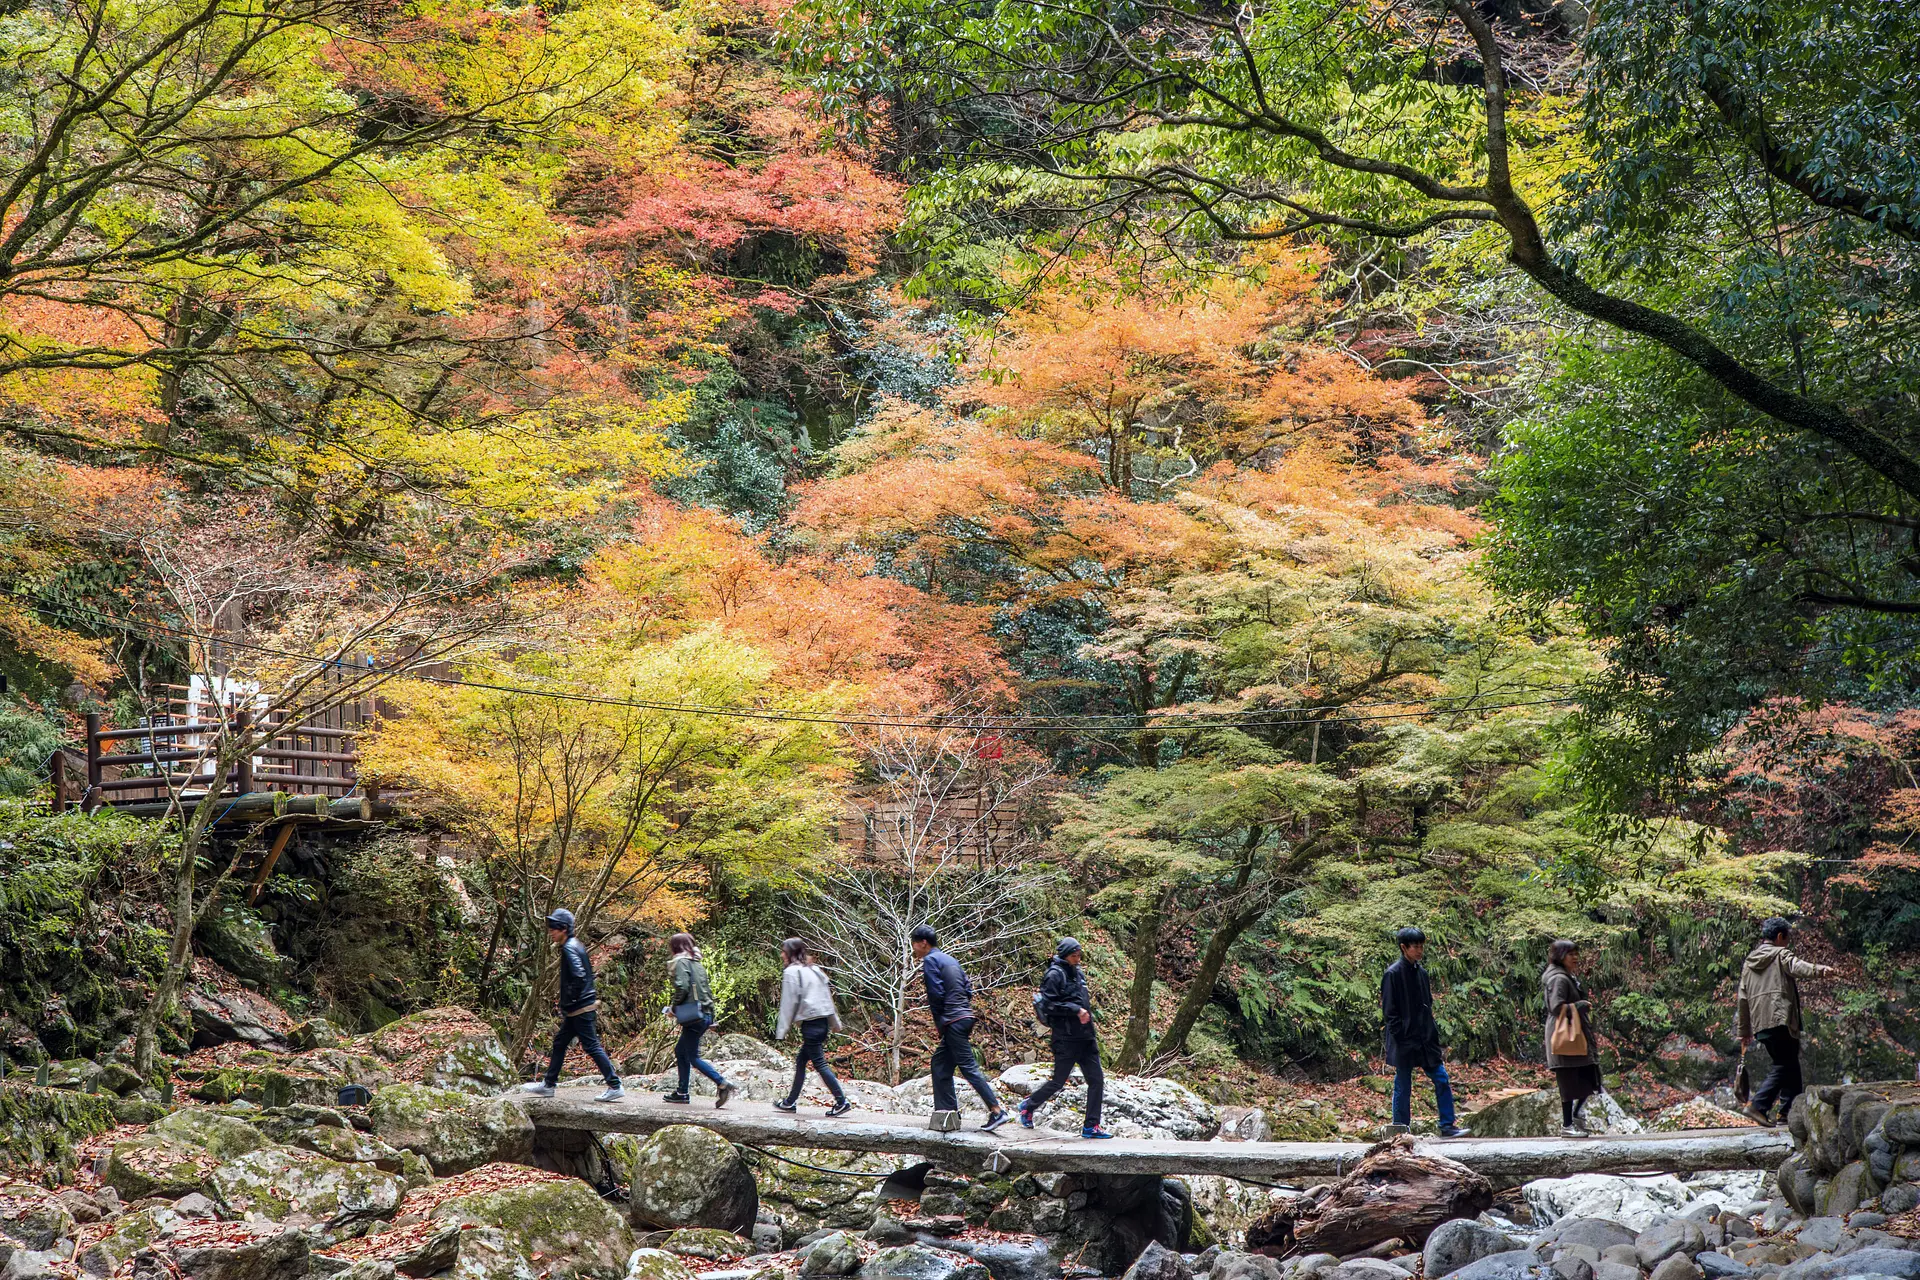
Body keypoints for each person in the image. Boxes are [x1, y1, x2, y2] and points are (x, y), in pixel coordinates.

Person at [910, 924, 1012, 1132]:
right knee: (940, 1064)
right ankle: (948, 1115)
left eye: (914, 943)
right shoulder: (950, 959)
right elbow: (967, 989)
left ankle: (997, 1111)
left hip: (953, 1020)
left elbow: (935, 994)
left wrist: (941, 1020)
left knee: (968, 1067)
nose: (913, 948)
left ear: (923, 943)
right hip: (964, 1016)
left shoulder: (930, 960)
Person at [517, 909, 624, 1102]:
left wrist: (572, 999)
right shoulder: (575, 945)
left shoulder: (569, 948)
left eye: (554, 928)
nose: (551, 932)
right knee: (560, 1043)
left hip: (580, 1009)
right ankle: (548, 1085)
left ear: (564, 928)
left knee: (591, 1046)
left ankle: (615, 1085)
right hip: (580, 1007)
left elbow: (579, 976)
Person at [1738, 917, 1834, 1127]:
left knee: (1790, 1064)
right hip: (1780, 1019)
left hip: (1761, 1024)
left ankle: (1788, 1113)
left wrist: (1744, 1031)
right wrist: (1820, 970)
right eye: (1787, 938)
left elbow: (1742, 999)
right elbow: (1797, 966)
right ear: (1780, 936)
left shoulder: (1749, 963)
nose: (1788, 943)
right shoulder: (1780, 954)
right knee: (1784, 1064)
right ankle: (1758, 1106)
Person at [1018, 938, 1111, 1139]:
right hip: (1065, 1039)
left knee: (1097, 1081)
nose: (1077, 959)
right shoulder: (1054, 975)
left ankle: (1091, 1126)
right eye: (1073, 955)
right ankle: (1028, 1106)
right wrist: (1075, 1010)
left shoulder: (1078, 973)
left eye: (1079, 955)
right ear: (1065, 955)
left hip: (1086, 1038)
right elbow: (1049, 1005)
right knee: (1058, 1082)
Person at [1381, 926, 1469, 1137]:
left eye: (1421, 946)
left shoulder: (1422, 973)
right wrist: (1401, 1036)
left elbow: (1427, 1004)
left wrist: (1431, 1033)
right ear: (1404, 947)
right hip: (1404, 1039)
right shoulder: (1392, 974)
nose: (1420, 950)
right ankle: (1401, 1130)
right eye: (1416, 947)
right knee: (1403, 1084)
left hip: (1425, 1038)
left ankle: (1447, 1125)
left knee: (1441, 1078)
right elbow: (1389, 1011)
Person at [774, 937, 853, 1118]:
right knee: (801, 1061)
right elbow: (828, 999)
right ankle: (789, 1102)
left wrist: (781, 1031)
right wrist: (835, 1023)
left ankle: (841, 1102)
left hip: (810, 1025)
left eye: (783, 952)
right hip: (822, 1023)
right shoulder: (814, 969)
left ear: (790, 953)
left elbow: (788, 1004)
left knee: (820, 1064)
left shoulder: (792, 973)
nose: (781, 955)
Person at [663, 933, 737, 1109]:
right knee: (681, 1050)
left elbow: (682, 987)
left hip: (694, 1016)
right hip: (704, 1014)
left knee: (692, 1056)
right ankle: (682, 1092)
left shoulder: (681, 962)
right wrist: (711, 1016)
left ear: (675, 947)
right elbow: (706, 991)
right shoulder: (697, 963)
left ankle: (722, 1083)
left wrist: (673, 1008)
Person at [1542, 939, 1601, 1137]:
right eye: (1571, 954)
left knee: (1588, 1076)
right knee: (1567, 1080)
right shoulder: (1558, 978)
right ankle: (1567, 1125)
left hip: (1575, 1034)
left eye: (1577, 953)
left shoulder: (1566, 976)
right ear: (1560, 956)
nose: (1576, 958)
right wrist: (1578, 1007)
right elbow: (1556, 1006)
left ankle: (1576, 1116)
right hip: (1565, 1036)